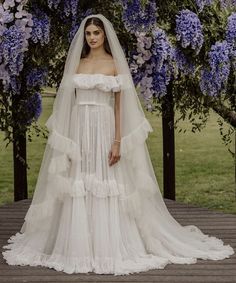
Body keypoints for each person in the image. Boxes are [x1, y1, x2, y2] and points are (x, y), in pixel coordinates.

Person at [2, 14, 234, 276]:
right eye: (88, 33)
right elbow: (67, 105)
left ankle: (108, 244)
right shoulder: (77, 64)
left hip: (104, 128)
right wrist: (67, 143)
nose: (92, 37)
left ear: (104, 36)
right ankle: (79, 246)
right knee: (79, 182)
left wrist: (117, 142)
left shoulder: (114, 65)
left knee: (106, 182)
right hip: (80, 128)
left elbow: (119, 109)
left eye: (96, 33)